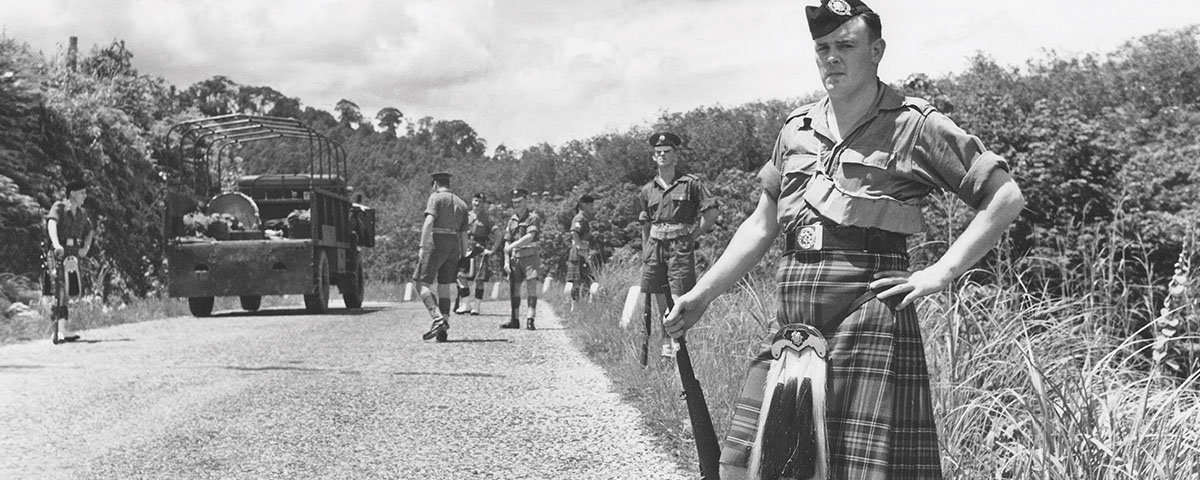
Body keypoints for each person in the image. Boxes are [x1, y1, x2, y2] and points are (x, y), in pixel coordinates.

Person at [663, 1, 1026, 478]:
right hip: (794, 323)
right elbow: (761, 224)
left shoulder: (913, 124)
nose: (831, 57)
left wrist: (942, 271)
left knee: (860, 470)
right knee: (753, 465)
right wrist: (702, 294)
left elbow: (1004, 197)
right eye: (822, 48)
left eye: (846, 46)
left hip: (867, 316)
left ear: (876, 51)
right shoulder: (796, 129)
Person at [639, 131, 718, 358]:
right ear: (653, 157)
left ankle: (678, 348)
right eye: (658, 152)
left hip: (679, 247)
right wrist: (645, 253)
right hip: (654, 247)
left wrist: (693, 236)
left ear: (675, 155)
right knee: (660, 300)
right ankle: (666, 348)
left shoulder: (691, 183)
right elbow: (645, 224)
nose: (662, 155)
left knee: (678, 299)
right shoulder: (647, 189)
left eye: (667, 151)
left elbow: (711, 213)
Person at [417, 172, 469, 343]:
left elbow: (429, 222)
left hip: (437, 241)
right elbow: (464, 235)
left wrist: (422, 246)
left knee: (421, 283)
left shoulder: (435, 197)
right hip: (454, 244)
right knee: (444, 286)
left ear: (435, 184)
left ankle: (437, 317)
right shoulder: (462, 203)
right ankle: (443, 328)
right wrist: (464, 256)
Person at [45, 179, 95, 344]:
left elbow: (90, 231)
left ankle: (62, 330)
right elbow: (51, 224)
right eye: (82, 193)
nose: (85, 196)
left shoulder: (82, 213)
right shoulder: (59, 207)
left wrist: (85, 248)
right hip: (59, 251)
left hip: (73, 253)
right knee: (58, 288)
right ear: (72, 194)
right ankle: (56, 331)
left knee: (67, 290)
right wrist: (56, 243)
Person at [501, 188, 542, 330]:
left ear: (525, 200)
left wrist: (511, 246)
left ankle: (530, 319)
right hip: (515, 259)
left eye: (519, 201)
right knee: (515, 289)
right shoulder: (512, 221)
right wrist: (506, 261)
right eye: (514, 202)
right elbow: (506, 241)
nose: (516, 205)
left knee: (531, 287)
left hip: (530, 257)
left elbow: (530, 236)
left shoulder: (532, 217)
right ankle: (515, 319)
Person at [455, 192, 502, 315]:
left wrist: (492, 250)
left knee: (479, 279)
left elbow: (498, 235)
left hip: (479, 250)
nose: (477, 204)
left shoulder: (487, 219)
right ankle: (466, 304)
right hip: (465, 249)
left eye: (480, 202)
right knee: (460, 275)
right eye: (475, 201)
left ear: (484, 204)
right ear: (472, 201)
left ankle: (477, 306)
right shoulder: (466, 216)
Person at [566, 194, 597, 304]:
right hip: (579, 254)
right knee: (577, 282)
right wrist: (580, 246)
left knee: (585, 281)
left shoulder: (584, 218)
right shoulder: (579, 218)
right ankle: (575, 305)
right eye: (590, 204)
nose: (592, 206)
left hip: (582, 253)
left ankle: (581, 304)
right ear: (583, 205)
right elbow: (574, 232)